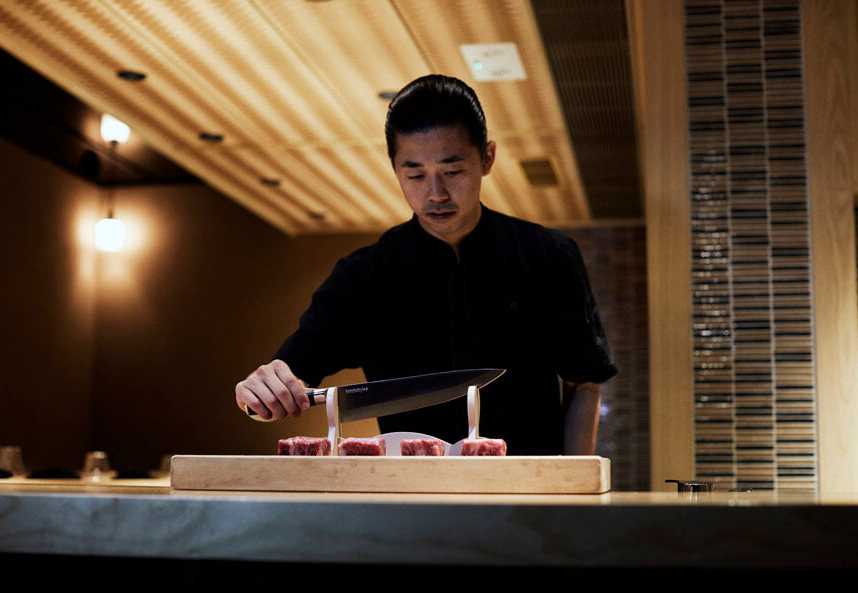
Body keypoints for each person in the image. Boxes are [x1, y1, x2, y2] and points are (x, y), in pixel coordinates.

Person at [235, 74, 616, 455]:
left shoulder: (549, 256)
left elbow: (584, 381)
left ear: (487, 158)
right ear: (395, 168)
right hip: (410, 498)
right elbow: (294, 370)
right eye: (415, 174)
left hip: (529, 495)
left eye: (452, 172)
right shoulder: (363, 276)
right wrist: (265, 389)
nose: (436, 194)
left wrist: (573, 487)